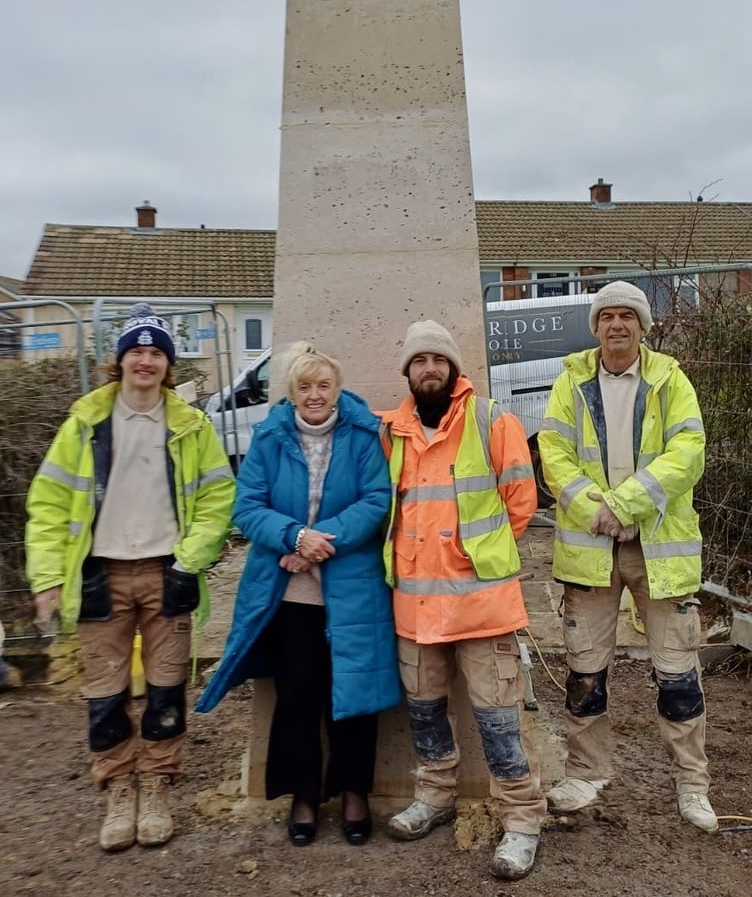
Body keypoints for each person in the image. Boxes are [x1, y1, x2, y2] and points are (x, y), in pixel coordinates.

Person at [25, 303, 234, 852]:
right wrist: (47, 577)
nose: (146, 360)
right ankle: (118, 787)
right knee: (105, 692)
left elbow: (218, 497)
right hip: (100, 574)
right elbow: (47, 504)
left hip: (170, 570)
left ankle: (157, 785)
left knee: (166, 688)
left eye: (156, 352)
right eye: (136, 351)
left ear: (168, 363)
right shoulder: (85, 424)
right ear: (119, 361)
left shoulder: (191, 425)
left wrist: (191, 556)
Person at [196, 342, 401, 846]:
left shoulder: (362, 434)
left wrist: (317, 542)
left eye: (323, 385)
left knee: (354, 694)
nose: (314, 395)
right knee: (297, 698)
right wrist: (293, 537)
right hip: (289, 598)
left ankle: (355, 791)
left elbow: (378, 499)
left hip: (352, 590)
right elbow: (246, 507)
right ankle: (303, 793)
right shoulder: (269, 436)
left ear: (337, 389)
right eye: (304, 386)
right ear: (291, 392)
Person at [538, 280, 717, 833]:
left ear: (642, 326)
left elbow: (688, 453)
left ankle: (693, 785)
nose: (617, 325)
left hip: (658, 550)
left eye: (627, 316)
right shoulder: (571, 381)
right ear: (595, 327)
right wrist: (598, 510)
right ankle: (585, 774)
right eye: (607, 316)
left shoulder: (670, 379)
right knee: (584, 671)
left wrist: (624, 504)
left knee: (678, 673)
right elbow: (554, 452)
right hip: (591, 550)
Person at [380, 320, 547, 882]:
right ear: (407, 370)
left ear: (453, 368)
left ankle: (522, 820)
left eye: (439, 360)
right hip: (416, 607)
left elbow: (521, 502)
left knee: (499, 719)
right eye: (419, 360)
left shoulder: (491, 420)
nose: (430, 369)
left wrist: (477, 555)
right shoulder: (393, 431)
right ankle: (434, 797)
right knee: (425, 712)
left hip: (481, 604)